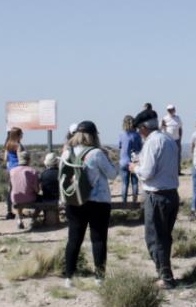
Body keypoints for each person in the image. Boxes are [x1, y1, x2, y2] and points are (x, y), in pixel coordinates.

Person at [63, 121, 118, 288]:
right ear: (94, 135)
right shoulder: (96, 154)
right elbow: (112, 175)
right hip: (98, 201)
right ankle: (99, 278)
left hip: (74, 200)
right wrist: (109, 158)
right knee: (98, 239)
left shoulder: (67, 153)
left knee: (74, 239)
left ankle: (69, 277)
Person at [131, 117, 180, 289]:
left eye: (139, 128)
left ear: (144, 127)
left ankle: (165, 277)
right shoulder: (168, 139)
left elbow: (147, 173)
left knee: (155, 238)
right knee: (164, 237)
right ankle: (165, 273)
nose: (138, 132)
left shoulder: (153, 142)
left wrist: (134, 168)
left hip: (157, 195)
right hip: (171, 193)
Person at [10, 150, 40, 230]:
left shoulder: (12, 171)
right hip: (30, 198)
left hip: (15, 198)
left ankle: (19, 220)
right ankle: (33, 219)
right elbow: (36, 190)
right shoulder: (33, 171)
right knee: (40, 201)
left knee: (19, 197)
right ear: (29, 160)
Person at [118, 115, 143, 203]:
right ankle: (134, 202)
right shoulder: (137, 135)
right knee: (135, 183)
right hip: (134, 161)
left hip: (124, 161)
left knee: (125, 184)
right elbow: (140, 147)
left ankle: (124, 203)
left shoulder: (121, 134)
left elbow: (120, 146)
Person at [3, 127, 25, 220]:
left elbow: (5, 158)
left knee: (11, 190)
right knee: (19, 190)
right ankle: (19, 211)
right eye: (21, 134)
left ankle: (9, 211)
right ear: (18, 135)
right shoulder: (18, 145)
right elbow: (21, 158)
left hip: (10, 169)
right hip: (18, 169)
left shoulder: (8, 145)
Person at [161, 105, 183, 175]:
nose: (170, 111)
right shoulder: (164, 119)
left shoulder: (177, 118)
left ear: (174, 110)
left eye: (172, 109)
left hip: (176, 139)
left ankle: (178, 171)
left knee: (177, 155)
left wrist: (180, 138)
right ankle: (168, 171)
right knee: (168, 156)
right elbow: (161, 128)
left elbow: (180, 128)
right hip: (168, 140)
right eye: (169, 110)